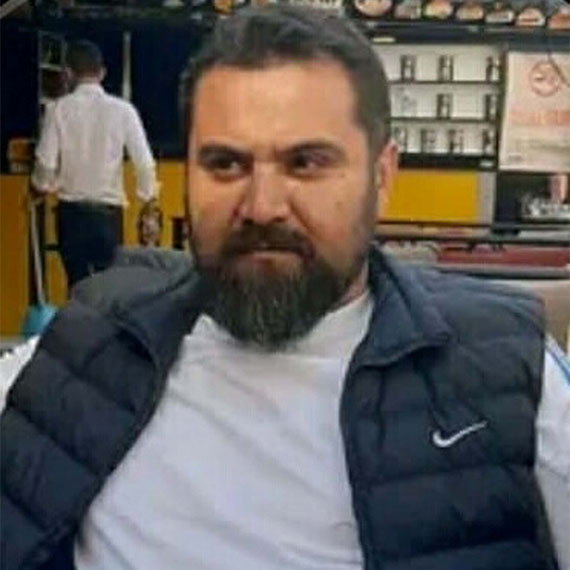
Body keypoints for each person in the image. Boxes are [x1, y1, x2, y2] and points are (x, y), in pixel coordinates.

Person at [2, 7, 569, 570]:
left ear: (382, 176)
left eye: (305, 163)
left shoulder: (510, 379)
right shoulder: (84, 351)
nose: (262, 206)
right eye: (226, 164)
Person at [31, 40, 159, 289]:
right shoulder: (124, 111)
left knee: (77, 289)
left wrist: (39, 187)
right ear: (102, 73)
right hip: (108, 217)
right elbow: (144, 164)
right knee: (109, 291)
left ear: (68, 73)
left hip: (71, 216)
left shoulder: (57, 110)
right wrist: (148, 201)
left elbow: (45, 164)